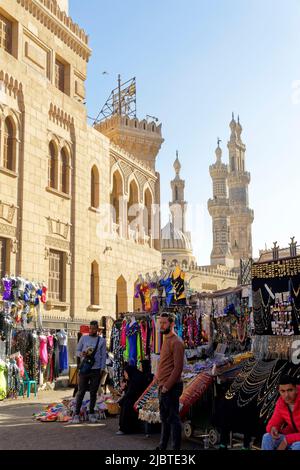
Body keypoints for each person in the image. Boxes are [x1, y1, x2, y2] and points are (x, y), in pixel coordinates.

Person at [155, 312, 185, 451]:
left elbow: (178, 368)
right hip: (163, 385)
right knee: (165, 419)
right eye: (160, 323)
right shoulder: (166, 340)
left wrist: (167, 386)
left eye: (164, 323)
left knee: (173, 419)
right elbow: (165, 363)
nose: (161, 325)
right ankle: (162, 447)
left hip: (171, 387)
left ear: (172, 324)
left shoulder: (177, 342)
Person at [70, 321, 106, 424]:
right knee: (81, 391)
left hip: (96, 369)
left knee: (93, 392)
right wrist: (82, 353)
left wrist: (102, 369)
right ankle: (76, 414)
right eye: (90, 328)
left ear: (97, 329)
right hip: (85, 369)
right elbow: (76, 351)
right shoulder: (83, 338)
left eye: (94, 329)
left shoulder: (102, 341)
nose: (91, 330)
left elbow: (103, 355)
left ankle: (91, 413)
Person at [261, 374, 300, 450]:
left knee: (298, 446)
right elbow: (274, 422)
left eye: (290, 390)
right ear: (279, 391)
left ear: (296, 389)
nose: (286, 395)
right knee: (267, 437)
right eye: (283, 391)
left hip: (295, 441)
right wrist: (273, 428)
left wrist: (286, 440)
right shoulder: (281, 403)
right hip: (292, 437)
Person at [116, 365, 148, 435]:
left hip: (141, 399)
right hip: (136, 398)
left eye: (125, 373)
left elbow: (131, 393)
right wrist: (124, 388)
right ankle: (125, 427)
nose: (125, 375)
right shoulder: (133, 377)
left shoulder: (136, 379)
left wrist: (120, 401)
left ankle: (125, 428)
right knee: (125, 402)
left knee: (126, 404)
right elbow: (130, 392)